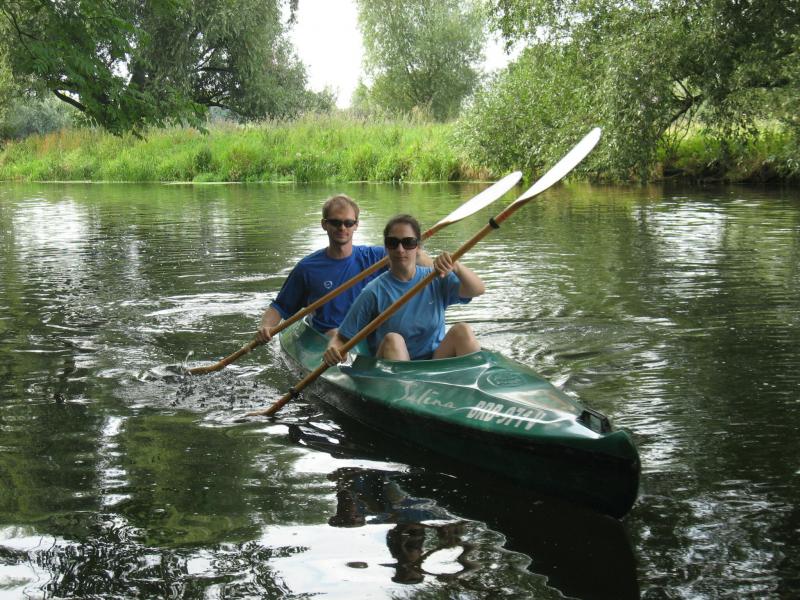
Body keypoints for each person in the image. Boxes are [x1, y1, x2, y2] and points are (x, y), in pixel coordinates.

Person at [256, 195, 430, 343]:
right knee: (335, 334)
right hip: (330, 339)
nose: (342, 228)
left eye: (348, 223)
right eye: (336, 222)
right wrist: (266, 327)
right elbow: (280, 306)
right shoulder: (307, 268)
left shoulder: (377, 257)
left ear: (356, 225)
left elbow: (418, 257)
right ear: (324, 224)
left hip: (370, 336)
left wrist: (437, 268)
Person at [323, 214, 484, 365]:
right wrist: (333, 348)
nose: (400, 249)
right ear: (386, 247)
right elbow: (341, 338)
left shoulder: (435, 278)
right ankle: (406, 385)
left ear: (418, 247)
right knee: (393, 339)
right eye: (393, 243)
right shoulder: (373, 291)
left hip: (434, 363)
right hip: (396, 365)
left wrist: (456, 266)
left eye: (408, 242)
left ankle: (475, 381)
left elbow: (477, 290)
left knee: (462, 330)